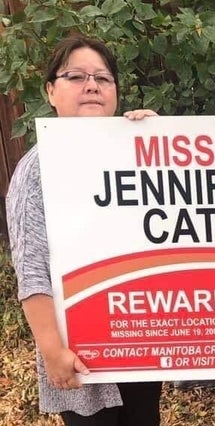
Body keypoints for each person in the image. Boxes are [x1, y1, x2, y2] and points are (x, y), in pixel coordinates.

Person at [6, 35, 161, 425]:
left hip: (141, 342)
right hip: (83, 355)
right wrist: (52, 351)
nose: (92, 85)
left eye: (103, 78)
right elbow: (32, 270)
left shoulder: (133, 154)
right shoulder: (37, 170)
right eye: (76, 76)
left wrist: (161, 143)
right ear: (51, 91)